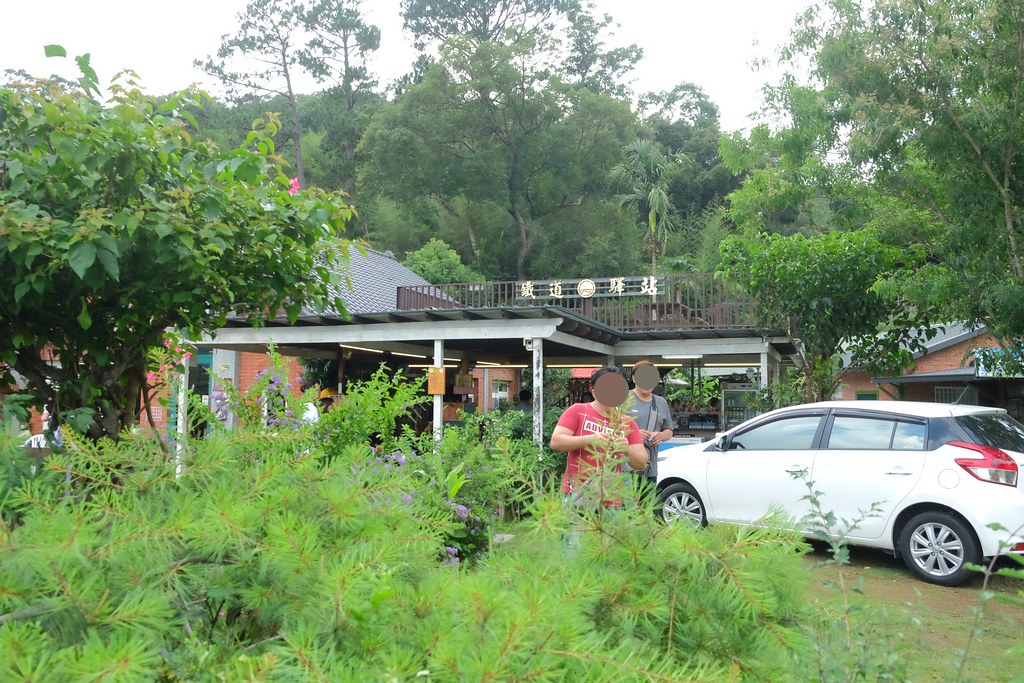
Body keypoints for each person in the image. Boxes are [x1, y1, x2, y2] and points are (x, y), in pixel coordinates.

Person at [550, 366, 647, 511]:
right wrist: (590, 440)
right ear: (593, 391)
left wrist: (627, 449)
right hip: (577, 494)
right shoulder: (577, 411)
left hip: (611, 499)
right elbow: (556, 442)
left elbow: (641, 462)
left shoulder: (627, 422)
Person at [623, 360, 674, 496]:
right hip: (624, 469)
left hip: (649, 469)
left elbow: (669, 430)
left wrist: (661, 436)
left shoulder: (661, 402)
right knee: (626, 508)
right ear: (634, 378)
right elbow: (609, 429)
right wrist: (633, 435)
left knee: (647, 508)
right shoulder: (622, 399)